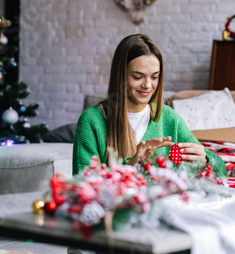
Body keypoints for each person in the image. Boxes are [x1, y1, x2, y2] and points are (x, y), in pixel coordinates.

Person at [72, 33, 226, 177]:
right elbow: (83, 185)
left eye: (154, 77)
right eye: (137, 77)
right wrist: (130, 166)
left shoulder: (168, 117)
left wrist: (205, 159)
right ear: (120, 75)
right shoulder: (91, 121)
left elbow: (221, 169)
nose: (147, 85)